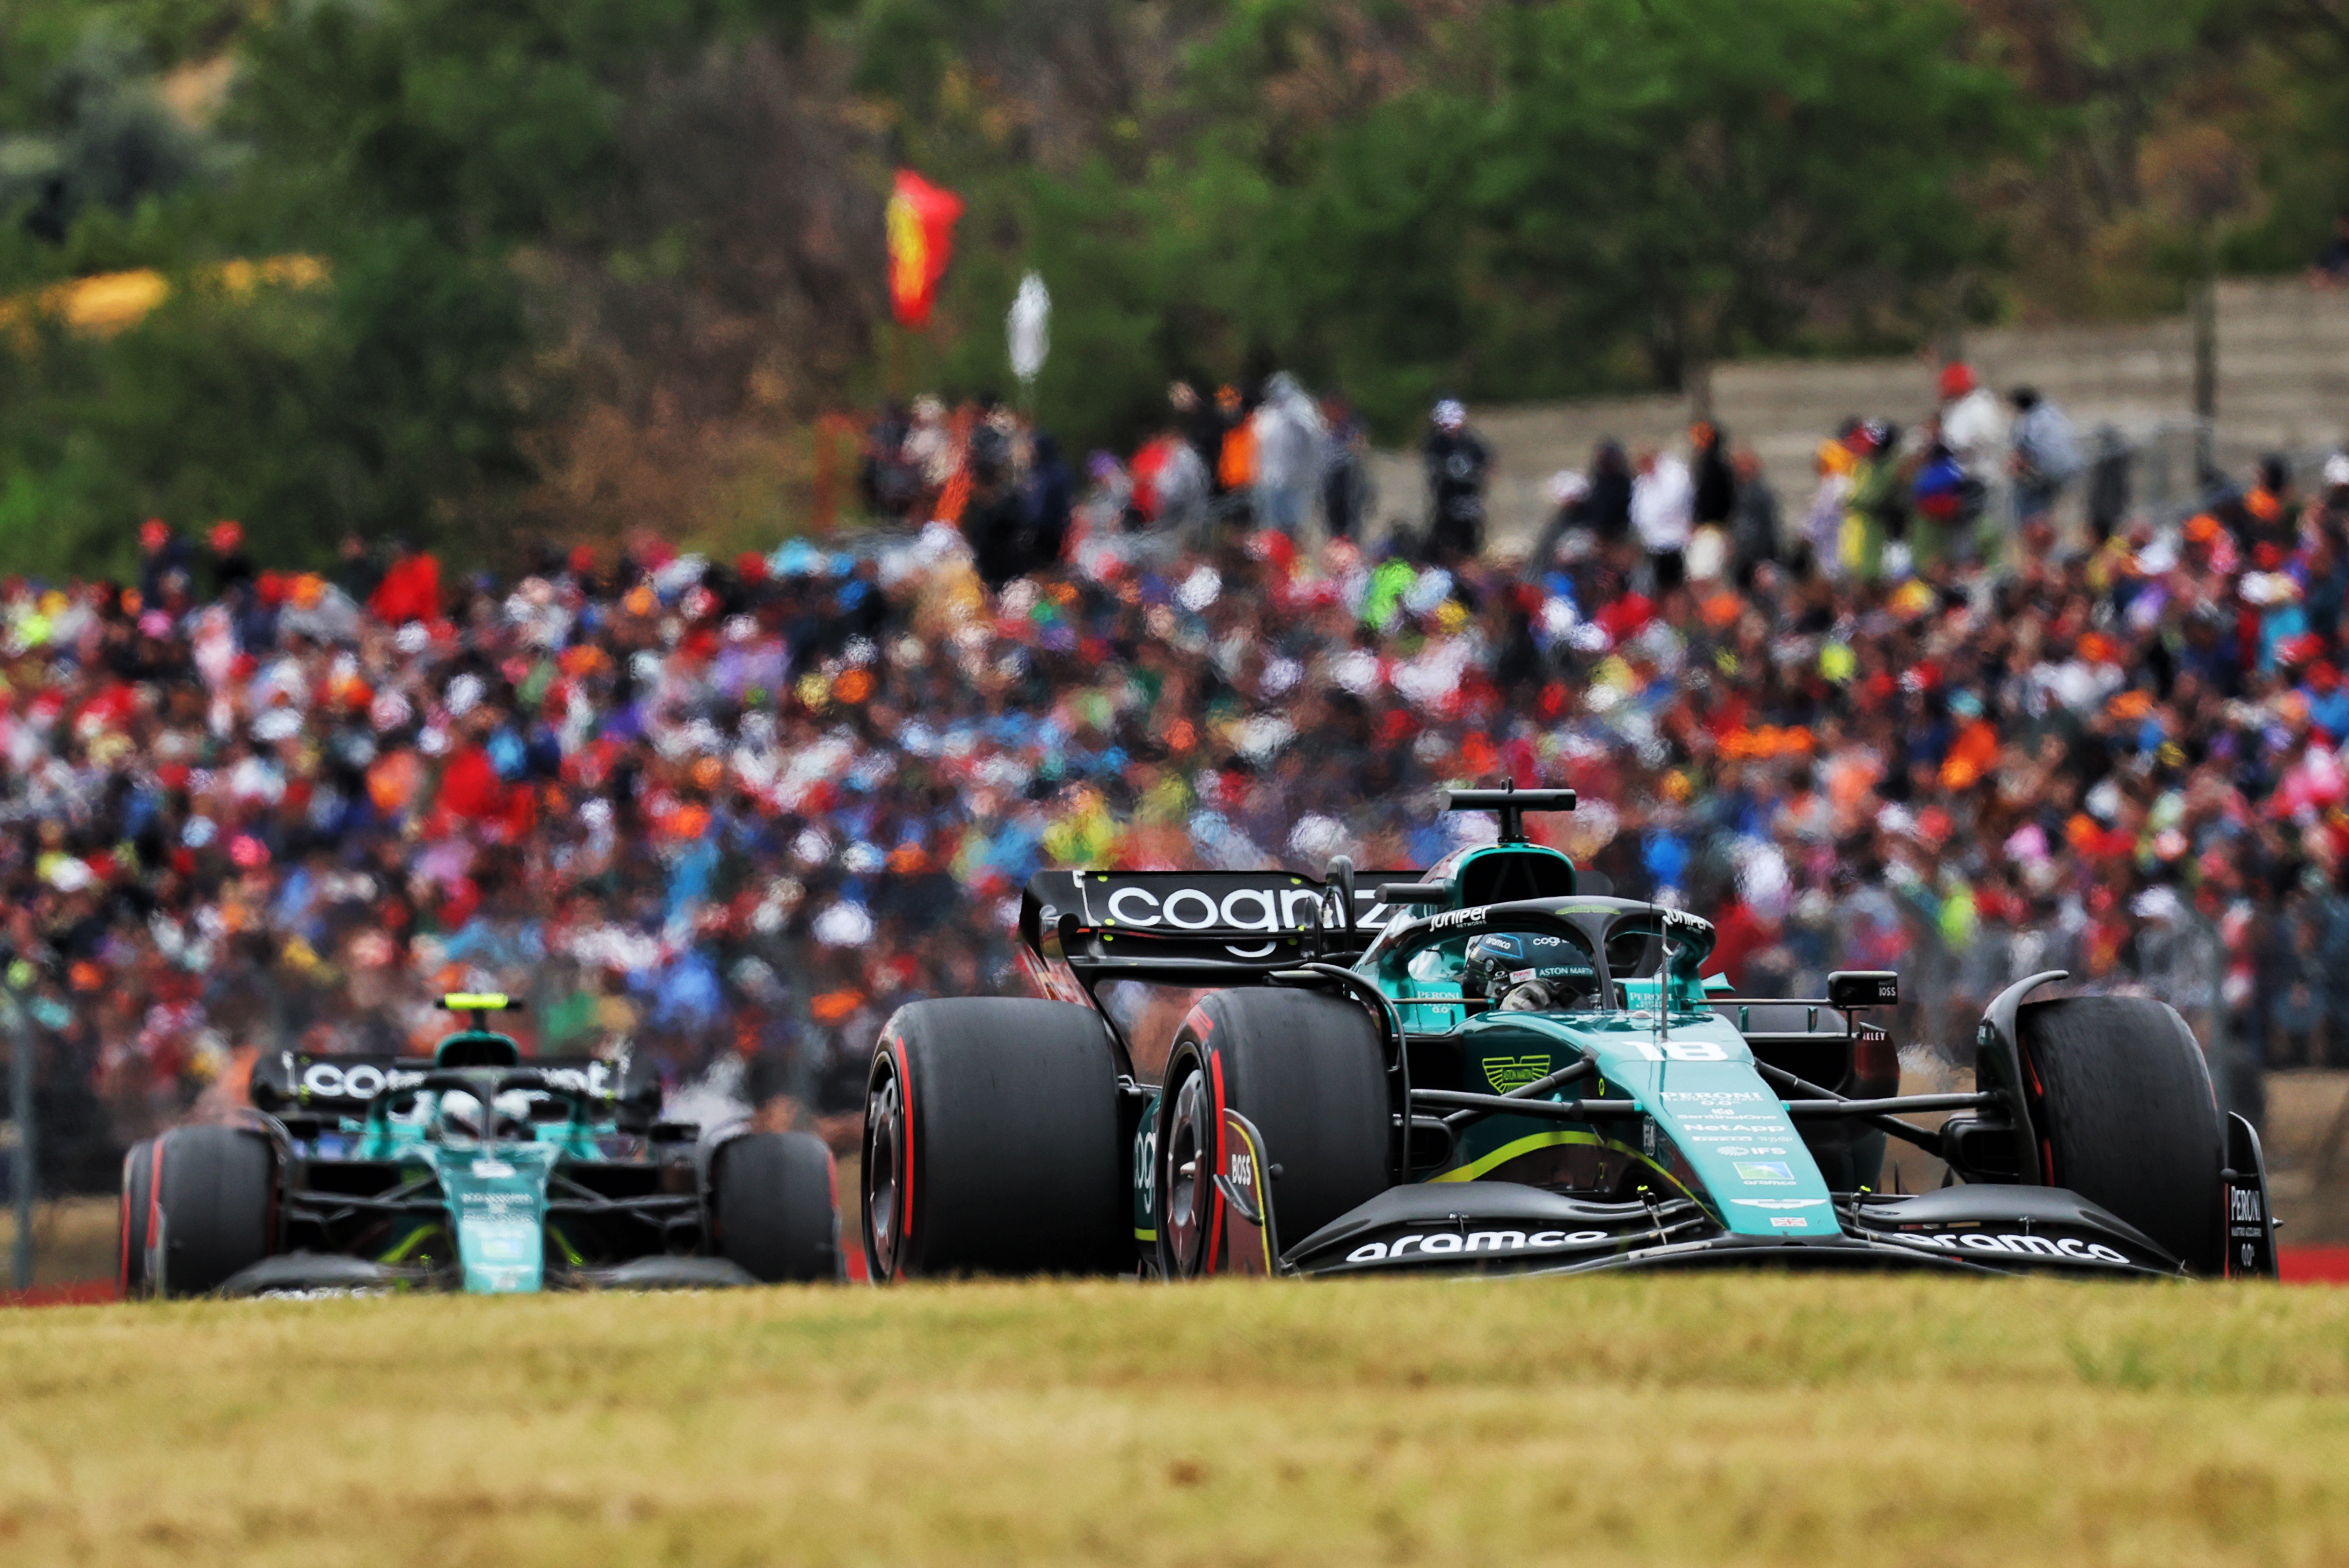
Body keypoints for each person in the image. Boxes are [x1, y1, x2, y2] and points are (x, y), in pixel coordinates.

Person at [1249, 372, 1328, 539]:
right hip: (1268, 481)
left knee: (1292, 526)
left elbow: (1315, 435)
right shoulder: (1266, 413)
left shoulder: (1302, 408)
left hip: (1295, 481)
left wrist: (1293, 415)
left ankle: (1293, 558)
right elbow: (1256, 444)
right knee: (1270, 527)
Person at [1422, 399, 1490, 563]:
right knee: (1445, 538)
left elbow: (1487, 464)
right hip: (1446, 502)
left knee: (1470, 538)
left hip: (1469, 500)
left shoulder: (1471, 443)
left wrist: (1474, 477)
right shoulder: (1435, 443)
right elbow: (1434, 468)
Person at [2008, 387, 2080, 533]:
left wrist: (2014, 471)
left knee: (2030, 507)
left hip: (2047, 473)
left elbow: (2021, 455)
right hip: (2069, 470)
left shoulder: (2028, 422)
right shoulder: (2054, 414)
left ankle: (2034, 533)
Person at [1630, 445, 1693, 593]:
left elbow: (1673, 502)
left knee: (1677, 586)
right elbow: (1639, 513)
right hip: (1654, 544)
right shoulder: (1643, 483)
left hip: (1676, 540)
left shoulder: (1674, 474)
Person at [1321, 392, 1371, 542]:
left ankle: (1351, 549)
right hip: (1330, 476)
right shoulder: (1325, 425)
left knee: (1351, 520)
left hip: (1350, 476)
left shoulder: (1354, 423)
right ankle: (1336, 547)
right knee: (1333, 520)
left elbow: (1361, 446)